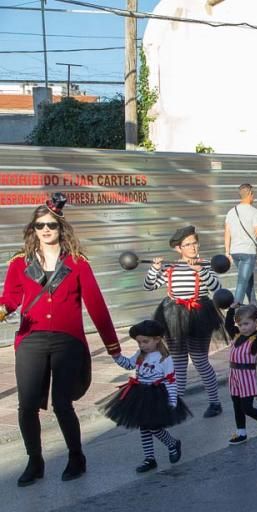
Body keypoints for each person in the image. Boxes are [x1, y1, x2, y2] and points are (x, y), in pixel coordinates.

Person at [1, 194, 121, 486]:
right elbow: (11, 299)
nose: (45, 230)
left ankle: (76, 456)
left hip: (68, 340)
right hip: (31, 340)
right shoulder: (20, 263)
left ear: (61, 228)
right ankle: (35, 461)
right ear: (33, 228)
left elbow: (96, 305)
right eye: (40, 225)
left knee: (61, 403)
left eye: (51, 225)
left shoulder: (78, 262)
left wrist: (113, 347)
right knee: (27, 404)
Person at [144, 225, 226, 418]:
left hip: (200, 315)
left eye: (195, 243)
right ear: (178, 249)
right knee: (178, 363)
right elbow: (149, 286)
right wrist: (154, 269)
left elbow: (217, 287)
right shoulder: (169, 267)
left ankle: (215, 402)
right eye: (187, 245)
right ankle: (176, 403)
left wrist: (201, 272)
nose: (193, 248)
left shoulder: (205, 264)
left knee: (200, 361)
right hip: (173, 316)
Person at [101, 320, 190, 472]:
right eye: (139, 342)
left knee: (153, 427)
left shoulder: (164, 358)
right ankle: (149, 458)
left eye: (145, 341)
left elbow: (170, 380)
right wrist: (117, 356)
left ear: (157, 339)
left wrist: (173, 400)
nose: (142, 345)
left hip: (157, 395)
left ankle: (172, 443)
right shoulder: (140, 354)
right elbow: (128, 364)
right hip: (140, 393)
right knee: (144, 427)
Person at [223, 304, 257, 445]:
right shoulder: (237, 335)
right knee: (236, 405)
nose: (243, 327)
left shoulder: (256, 339)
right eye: (240, 324)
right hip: (234, 375)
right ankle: (241, 432)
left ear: (256, 322)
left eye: (246, 323)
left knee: (247, 408)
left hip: (247, 377)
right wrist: (231, 309)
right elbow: (228, 325)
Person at [224, 183, 257, 306]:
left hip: (235, 252)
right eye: (253, 194)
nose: (254, 196)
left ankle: (253, 304)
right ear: (250, 194)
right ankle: (234, 310)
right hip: (248, 252)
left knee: (248, 280)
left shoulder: (231, 212)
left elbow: (227, 232)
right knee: (242, 281)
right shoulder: (254, 212)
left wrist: (227, 251)